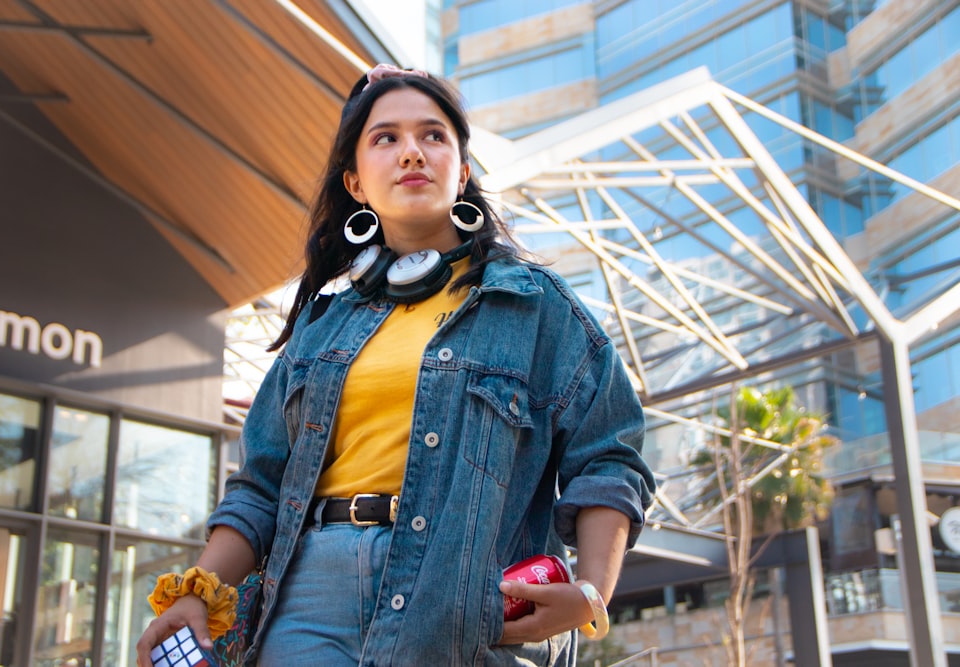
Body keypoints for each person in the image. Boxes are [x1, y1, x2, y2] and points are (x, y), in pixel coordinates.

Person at [137, 64, 656, 667]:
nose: (412, 151)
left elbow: (611, 455)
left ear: (461, 172)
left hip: (458, 604)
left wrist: (593, 591)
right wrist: (198, 592)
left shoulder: (537, 307)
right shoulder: (321, 324)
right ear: (356, 183)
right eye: (386, 138)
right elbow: (261, 487)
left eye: (433, 136)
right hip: (312, 599)